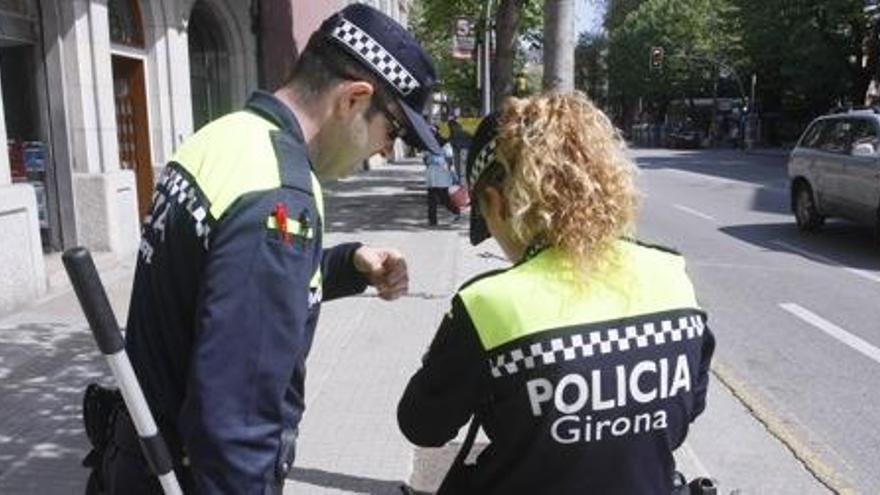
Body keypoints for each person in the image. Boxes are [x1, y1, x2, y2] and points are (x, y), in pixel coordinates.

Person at [101, 4, 440, 494]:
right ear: (353, 99)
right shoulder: (281, 193)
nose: (386, 149)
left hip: (141, 460)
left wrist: (347, 265)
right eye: (393, 129)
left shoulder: (224, 137)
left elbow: (224, 281)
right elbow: (236, 422)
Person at [397, 93, 715, 494]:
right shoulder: (672, 277)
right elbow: (686, 413)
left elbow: (422, 425)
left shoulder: (489, 305)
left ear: (498, 202)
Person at [424, 132, 460, 226]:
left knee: (443, 198)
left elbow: (449, 159)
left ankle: (456, 211)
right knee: (433, 199)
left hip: (439, 175)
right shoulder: (429, 146)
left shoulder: (445, 146)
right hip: (435, 175)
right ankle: (432, 221)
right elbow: (425, 159)